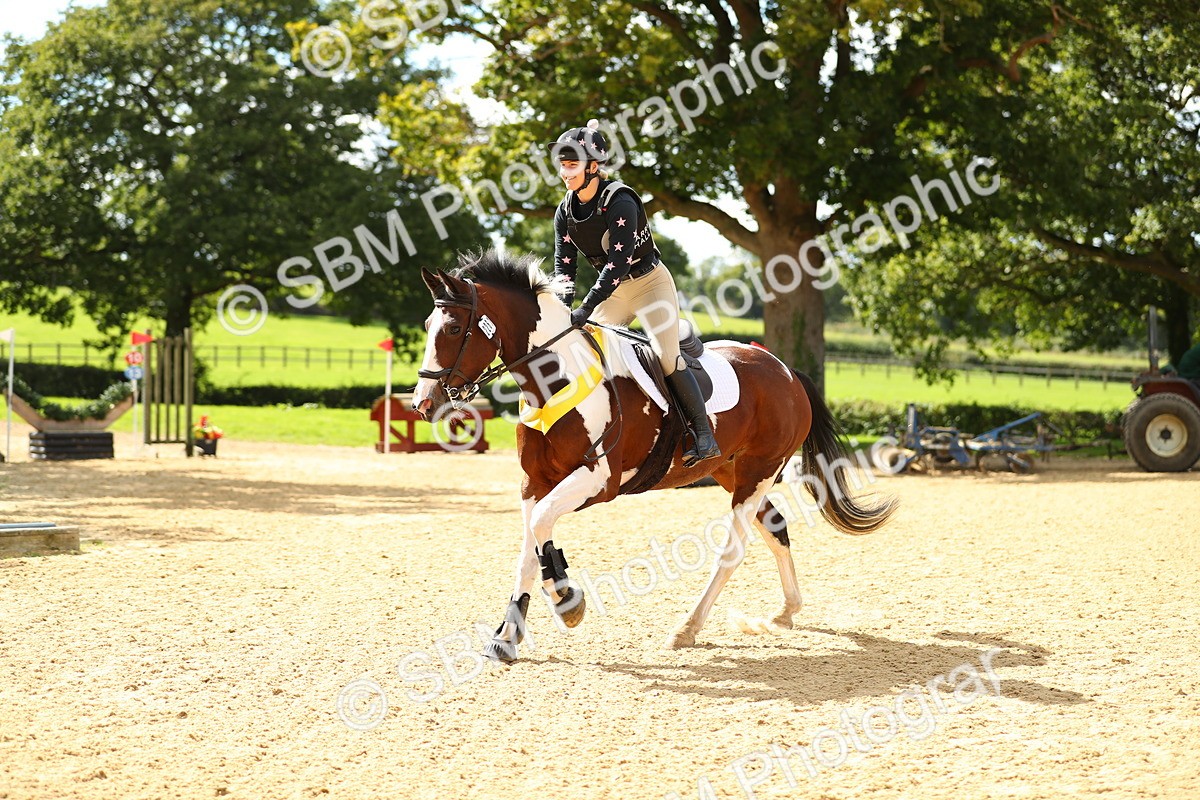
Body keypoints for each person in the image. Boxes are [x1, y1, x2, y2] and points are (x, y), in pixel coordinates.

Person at [547, 119, 720, 466]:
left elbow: (619, 263)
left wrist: (586, 306)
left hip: (648, 284)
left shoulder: (621, 201)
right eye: (562, 165)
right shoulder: (564, 212)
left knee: (666, 357)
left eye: (572, 165)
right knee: (587, 352)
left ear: (593, 167)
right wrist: (563, 308)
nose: (565, 173)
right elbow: (564, 268)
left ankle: (703, 435)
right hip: (610, 292)